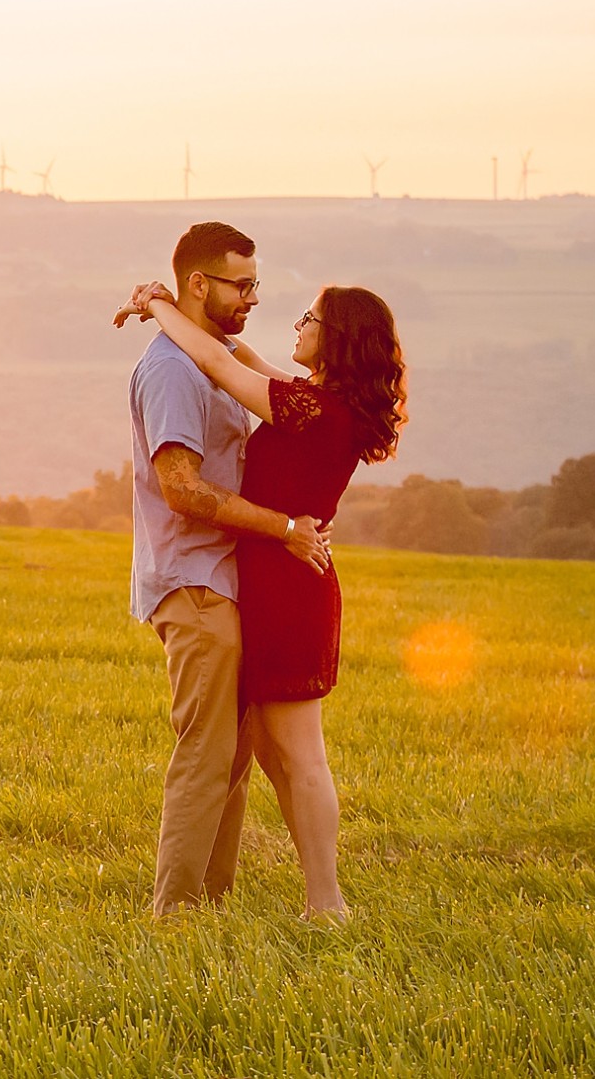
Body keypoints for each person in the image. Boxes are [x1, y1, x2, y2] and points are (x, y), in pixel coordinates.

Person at [118, 270, 407, 920]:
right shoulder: (320, 402)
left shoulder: (308, 408)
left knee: (299, 754)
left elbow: (220, 362)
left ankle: (327, 902)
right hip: (282, 579)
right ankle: (317, 895)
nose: (297, 326)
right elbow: (241, 356)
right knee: (277, 751)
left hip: (286, 586)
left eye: (309, 319)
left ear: (337, 339)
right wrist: (173, 310)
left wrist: (157, 305)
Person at [125, 221, 331, 918]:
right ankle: (175, 912)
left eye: (256, 285)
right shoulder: (171, 370)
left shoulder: (208, 352)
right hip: (193, 583)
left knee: (233, 759)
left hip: (227, 581)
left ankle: (208, 900)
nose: (252, 298)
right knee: (205, 753)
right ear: (199, 284)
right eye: (241, 285)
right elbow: (182, 487)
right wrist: (284, 528)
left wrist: (156, 303)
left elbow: (257, 377)